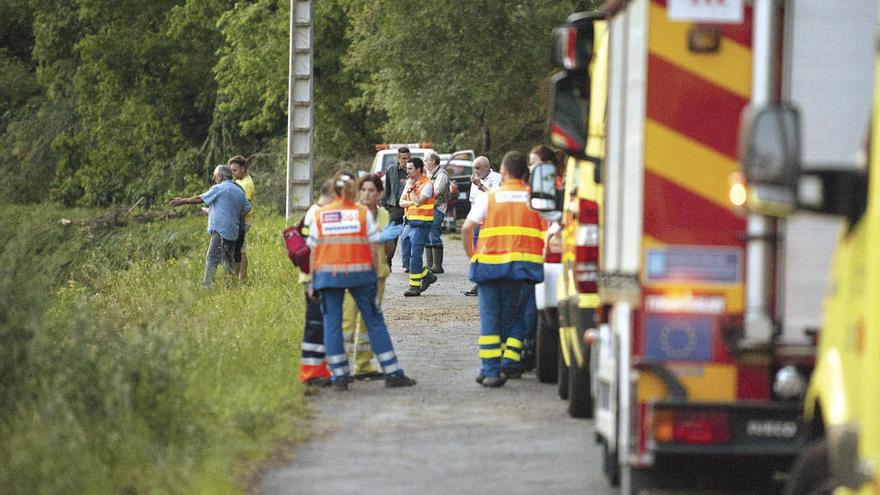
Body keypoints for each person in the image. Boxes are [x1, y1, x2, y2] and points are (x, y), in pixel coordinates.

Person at [304, 171, 417, 390]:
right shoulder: (362, 213)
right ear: (355, 190)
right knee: (374, 320)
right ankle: (392, 373)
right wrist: (375, 276)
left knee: (332, 324)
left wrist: (312, 280)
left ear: (334, 190)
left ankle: (339, 377)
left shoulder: (321, 215)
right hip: (362, 275)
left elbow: (313, 250)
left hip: (328, 276)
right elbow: (375, 248)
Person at [461, 151, 544, 387]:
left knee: (490, 318)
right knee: (517, 317)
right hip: (523, 269)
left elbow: (467, 229)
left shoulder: (490, 196)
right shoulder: (535, 198)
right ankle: (510, 362)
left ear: (503, 172)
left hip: (489, 267)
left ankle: (491, 371)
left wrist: (473, 256)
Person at [340, 174, 391, 379]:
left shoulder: (384, 215)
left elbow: (389, 248)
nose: (366, 194)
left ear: (379, 194)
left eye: (371, 190)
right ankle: (340, 367)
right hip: (354, 275)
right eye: (363, 190)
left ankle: (363, 365)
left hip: (378, 275)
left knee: (369, 321)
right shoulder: (351, 213)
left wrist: (388, 238)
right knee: (347, 320)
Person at [170, 165, 251, 288]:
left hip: (220, 231)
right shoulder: (238, 190)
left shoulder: (218, 188)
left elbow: (199, 198)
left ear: (220, 176)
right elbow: (247, 208)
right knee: (227, 260)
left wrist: (182, 201)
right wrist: (233, 217)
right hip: (233, 231)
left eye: (215, 176)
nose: (214, 179)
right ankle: (230, 288)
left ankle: (207, 287)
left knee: (212, 258)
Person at [297, 179, 337, 387]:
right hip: (314, 277)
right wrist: (314, 280)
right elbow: (313, 249)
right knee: (315, 326)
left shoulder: (315, 211)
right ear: (331, 193)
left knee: (320, 325)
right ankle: (312, 373)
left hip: (317, 276)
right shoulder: (317, 213)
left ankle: (320, 370)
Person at [463, 156, 502, 296]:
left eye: (478, 168)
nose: (476, 171)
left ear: (487, 167)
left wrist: (480, 186)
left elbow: (496, 198)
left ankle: (492, 283)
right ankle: (479, 284)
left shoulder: (497, 178)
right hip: (478, 223)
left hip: (491, 223)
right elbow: (473, 201)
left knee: (490, 254)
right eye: (474, 168)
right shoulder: (475, 181)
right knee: (477, 254)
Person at [399, 157, 438, 297]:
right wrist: (411, 197)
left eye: (410, 168)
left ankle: (414, 287)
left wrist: (411, 191)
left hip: (422, 225)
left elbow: (419, 202)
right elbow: (401, 202)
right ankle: (427, 275)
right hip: (409, 223)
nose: (407, 170)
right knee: (405, 257)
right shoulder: (410, 184)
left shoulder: (427, 184)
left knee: (415, 256)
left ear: (419, 169)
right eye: (407, 168)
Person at [380, 147, 411, 270]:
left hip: (410, 207)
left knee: (408, 237)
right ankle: (388, 260)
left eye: (408, 158)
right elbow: (386, 189)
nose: (406, 161)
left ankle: (407, 264)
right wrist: (383, 206)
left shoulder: (414, 170)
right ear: (398, 158)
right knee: (392, 237)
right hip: (395, 207)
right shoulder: (391, 170)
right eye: (403, 158)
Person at [229, 155, 255, 281]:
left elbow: (246, 207)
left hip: (243, 221)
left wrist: (236, 220)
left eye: (235, 170)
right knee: (239, 248)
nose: (233, 173)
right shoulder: (239, 180)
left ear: (243, 169)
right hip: (239, 220)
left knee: (240, 249)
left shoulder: (246, 184)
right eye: (231, 170)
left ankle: (241, 277)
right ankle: (239, 276)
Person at [424, 151, 449, 273]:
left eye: (426, 160)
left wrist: (423, 190)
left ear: (433, 161)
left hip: (438, 209)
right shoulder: (429, 174)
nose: (424, 163)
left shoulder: (441, 174)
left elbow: (437, 190)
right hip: (429, 208)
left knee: (434, 234)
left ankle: (438, 266)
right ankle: (430, 264)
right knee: (427, 235)